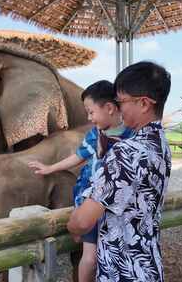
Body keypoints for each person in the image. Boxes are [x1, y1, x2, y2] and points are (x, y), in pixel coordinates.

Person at [67, 61, 172, 282]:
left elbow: (84, 220)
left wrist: (72, 224)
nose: (118, 108)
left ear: (144, 103)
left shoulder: (127, 151)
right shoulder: (161, 143)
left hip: (123, 272)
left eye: (121, 101)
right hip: (149, 266)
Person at [28, 80, 133, 282]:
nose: (89, 117)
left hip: (118, 204)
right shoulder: (95, 134)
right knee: (90, 257)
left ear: (110, 108)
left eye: (91, 112)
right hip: (92, 200)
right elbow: (79, 156)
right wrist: (50, 168)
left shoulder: (132, 135)